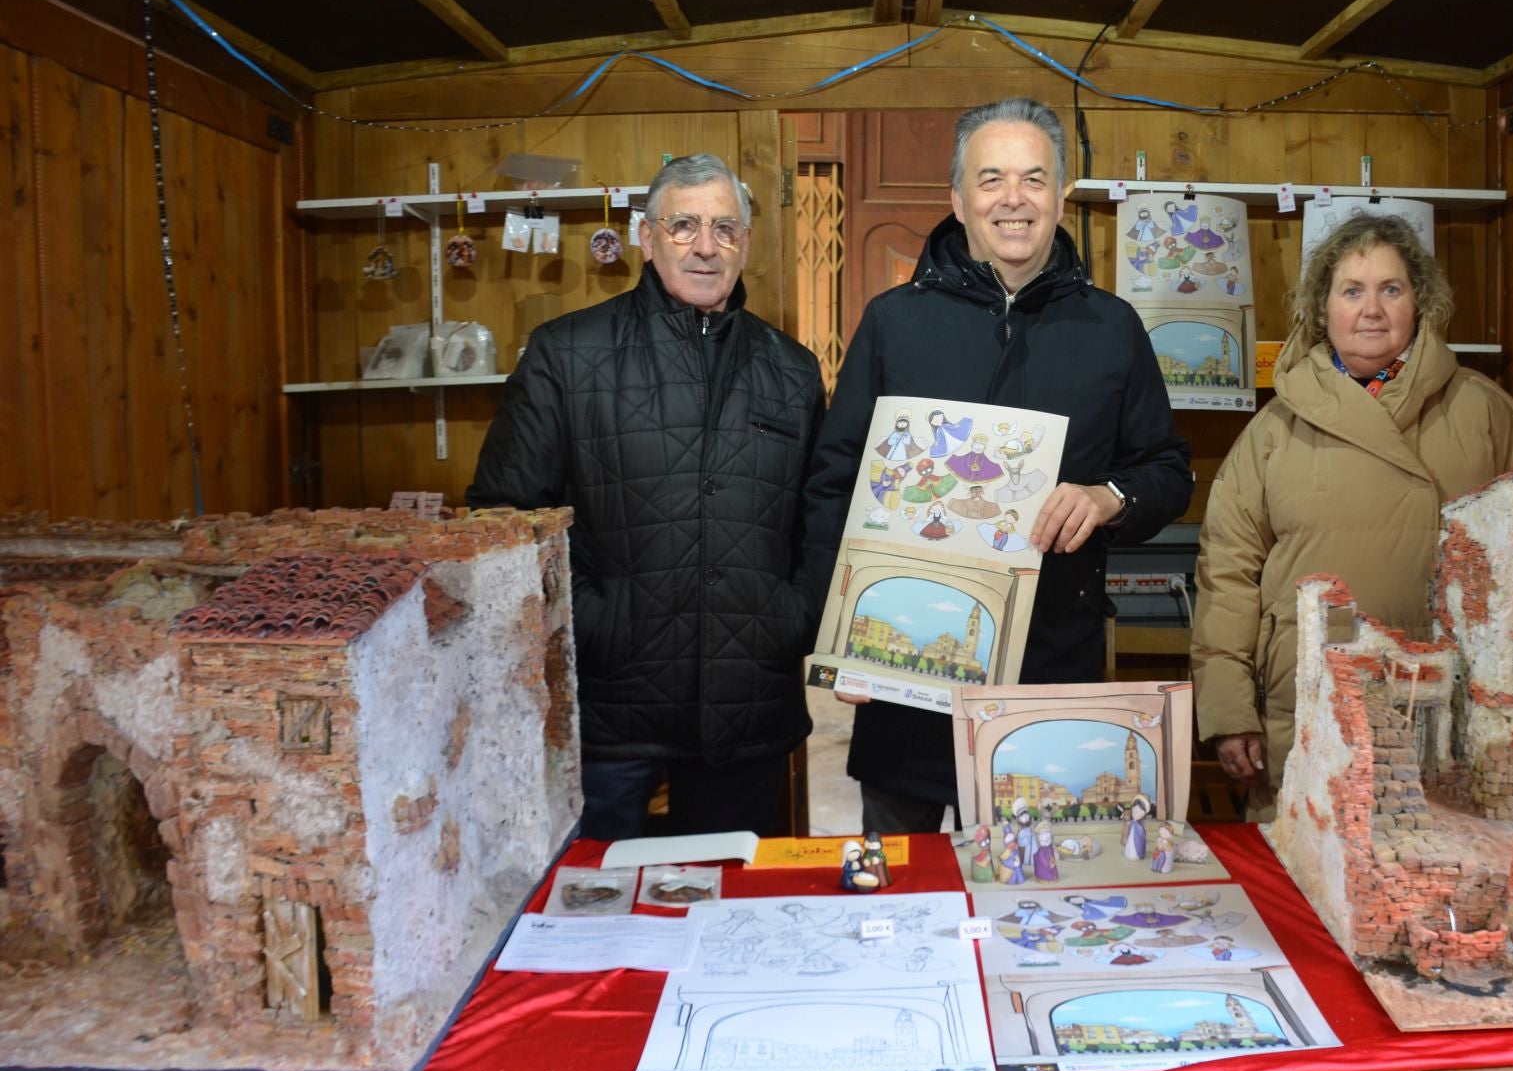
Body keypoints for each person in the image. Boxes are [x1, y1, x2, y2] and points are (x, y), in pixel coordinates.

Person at [801, 97, 1193, 834]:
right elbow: (834, 484)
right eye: (991, 179)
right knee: (905, 892)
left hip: (1052, 666)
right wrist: (839, 636)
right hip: (909, 678)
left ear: (1060, 198)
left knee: (1040, 895)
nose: (1014, 199)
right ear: (958, 200)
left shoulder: (1112, 329)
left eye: (1034, 179)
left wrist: (1111, 496)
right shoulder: (894, 320)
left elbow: (1167, 469)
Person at [467, 154, 823, 840]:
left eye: (725, 227)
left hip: (746, 699)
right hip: (609, 703)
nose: (706, 245)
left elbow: (819, 517)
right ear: (646, 237)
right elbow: (506, 518)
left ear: (746, 243)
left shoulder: (791, 370)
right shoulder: (567, 354)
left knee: (733, 914)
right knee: (597, 915)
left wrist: (792, 616)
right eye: (683, 224)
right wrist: (594, 619)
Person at [1191, 213, 1513, 818]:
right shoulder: (1274, 429)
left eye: (1392, 289)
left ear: (1422, 304)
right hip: (1305, 700)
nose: (1372, 310)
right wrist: (1229, 712)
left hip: (1454, 707)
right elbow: (1226, 575)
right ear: (1322, 308)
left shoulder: (1486, 412)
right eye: (1351, 291)